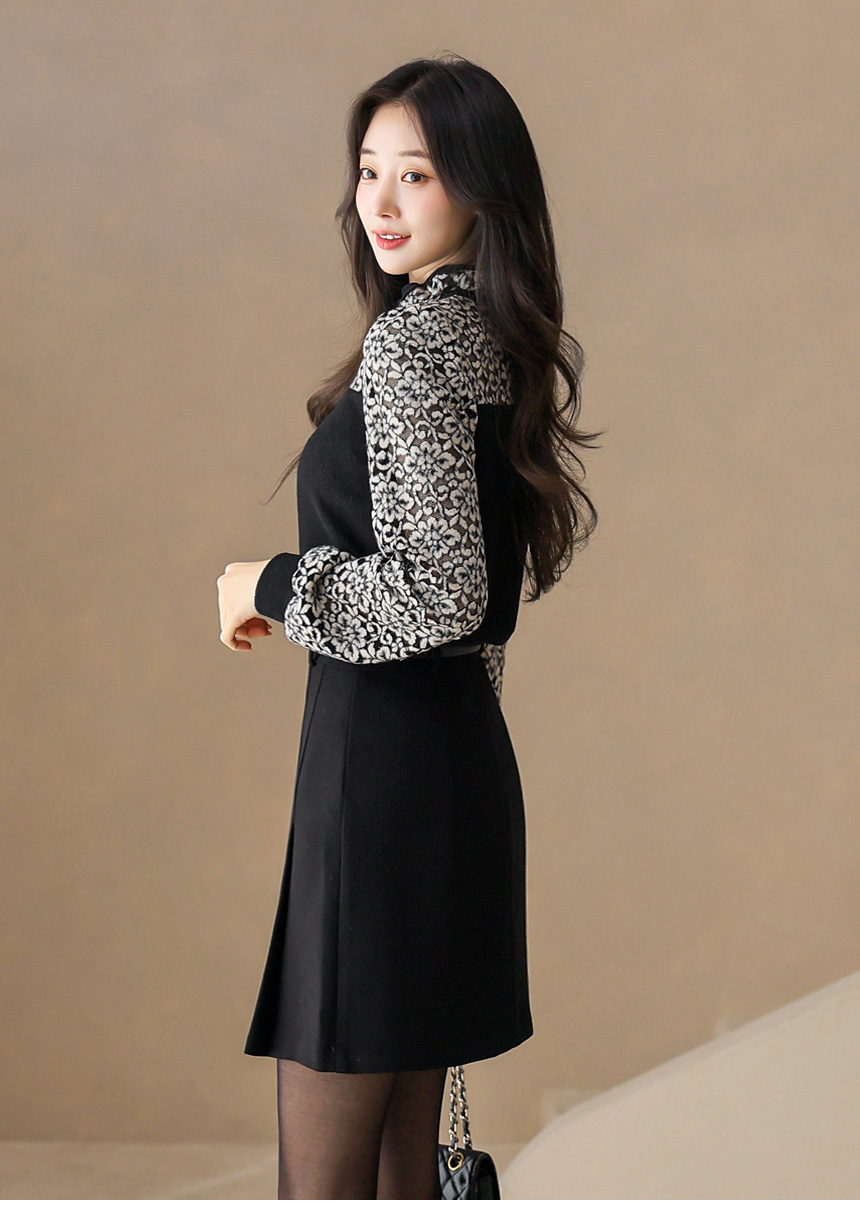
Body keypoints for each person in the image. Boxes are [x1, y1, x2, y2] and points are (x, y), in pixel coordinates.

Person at [216, 53, 601, 1200]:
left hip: (379, 785)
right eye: (367, 171)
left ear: (480, 188)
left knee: (327, 1193)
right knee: (399, 1181)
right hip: (447, 771)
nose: (379, 203)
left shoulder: (414, 346)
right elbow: (467, 599)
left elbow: (436, 594)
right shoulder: (485, 335)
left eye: (416, 175)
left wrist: (267, 582)